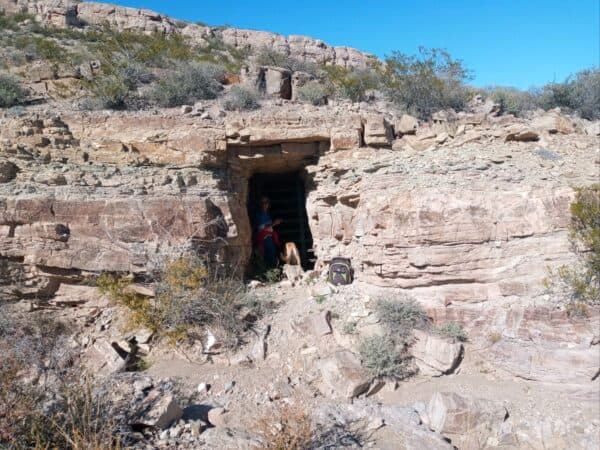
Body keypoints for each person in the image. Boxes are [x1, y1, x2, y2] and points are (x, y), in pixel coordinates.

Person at [254, 196, 282, 268]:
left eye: (266, 202)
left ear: (269, 204)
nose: (264, 204)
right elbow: (262, 228)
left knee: (272, 256)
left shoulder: (267, 214)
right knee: (268, 257)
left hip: (269, 238)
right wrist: (275, 223)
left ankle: (273, 274)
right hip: (264, 239)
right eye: (262, 203)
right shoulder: (259, 215)